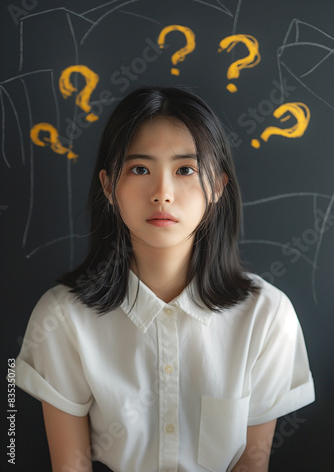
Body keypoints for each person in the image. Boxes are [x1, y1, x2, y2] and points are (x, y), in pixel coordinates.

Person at [15, 87, 315, 472]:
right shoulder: (63, 316)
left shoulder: (267, 315)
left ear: (218, 186)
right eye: (140, 169)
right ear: (109, 186)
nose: (162, 193)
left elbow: (251, 465)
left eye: (185, 170)